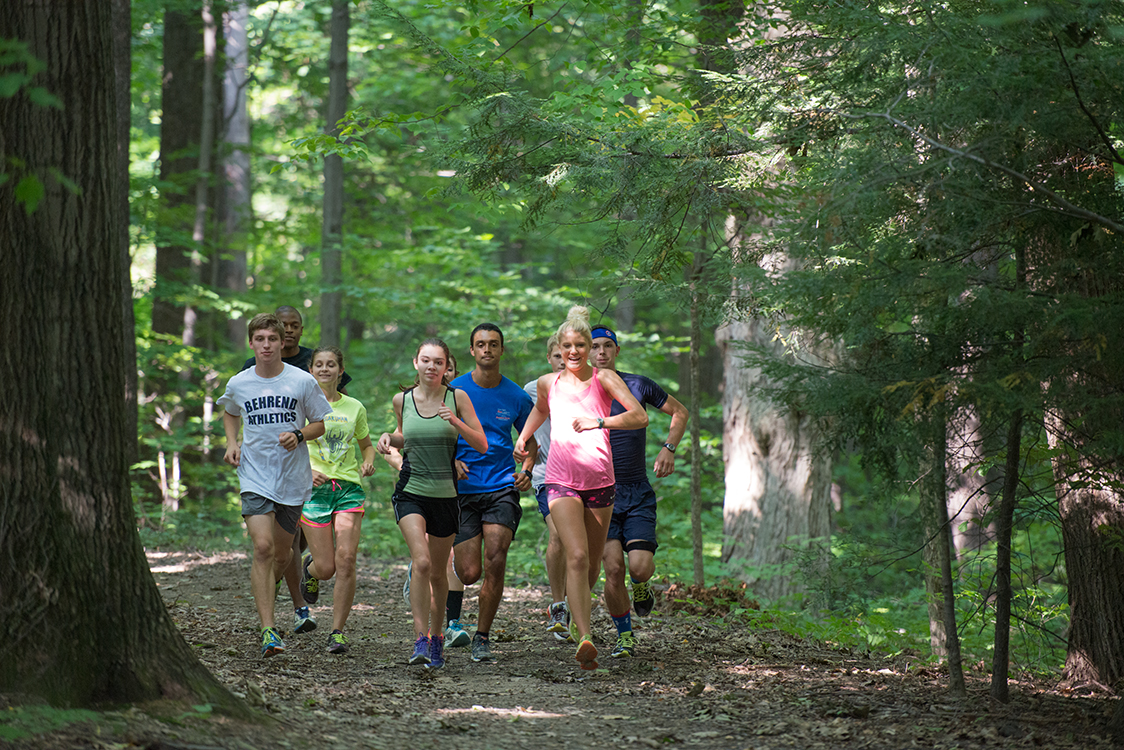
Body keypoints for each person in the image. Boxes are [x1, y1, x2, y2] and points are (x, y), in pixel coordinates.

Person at [515, 306, 648, 670]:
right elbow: (541, 410)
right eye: (567, 346)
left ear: (590, 347)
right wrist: (525, 437)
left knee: (589, 564)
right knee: (575, 555)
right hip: (560, 479)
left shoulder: (605, 379)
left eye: (580, 345)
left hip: (601, 480)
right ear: (559, 346)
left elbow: (640, 415)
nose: (573, 352)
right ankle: (586, 637)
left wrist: (599, 422)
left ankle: (578, 612)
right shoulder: (548, 382)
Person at [218, 313, 332, 657]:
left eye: (272, 339)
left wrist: (298, 435)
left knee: (283, 554)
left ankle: (273, 599)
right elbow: (230, 410)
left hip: (292, 479)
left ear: (282, 342)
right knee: (263, 548)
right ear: (251, 343)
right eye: (260, 339)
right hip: (255, 476)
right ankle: (268, 629)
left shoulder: (301, 381)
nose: (266, 345)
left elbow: (321, 423)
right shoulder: (240, 382)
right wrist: (231, 442)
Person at [376, 338, 488, 669]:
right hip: (411, 491)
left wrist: (454, 421)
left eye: (438, 362)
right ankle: (420, 639)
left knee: (439, 572)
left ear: (446, 367)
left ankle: (438, 637)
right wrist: (388, 438)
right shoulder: (402, 399)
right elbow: (403, 435)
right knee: (421, 562)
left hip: (446, 496)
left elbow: (481, 443)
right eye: (426, 360)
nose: (431, 367)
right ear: (416, 363)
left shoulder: (458, 398)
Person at [239, 304, 350, 631]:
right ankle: (295, 609)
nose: (288, 331)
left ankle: (294, 604)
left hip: (312, 464)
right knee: (275, 545)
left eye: (294, 325)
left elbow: (333, 417)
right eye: (282, 326)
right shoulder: (253, 367)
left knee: (289, 548)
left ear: (301, 329)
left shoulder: (311, 365)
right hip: (269, 471)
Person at [590, 325, 689, 658]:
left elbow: (680, 412)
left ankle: (643, 586)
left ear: (617, 350)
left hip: (636, 491)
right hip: (599, 493)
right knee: (613, 568)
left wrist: (669, 448)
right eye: (594, 347)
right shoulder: (578, 391)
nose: (601, 352)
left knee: (639, 568)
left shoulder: (637, 384)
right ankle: (625, 635)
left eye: (607, 346)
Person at [446, 324, 536, 663]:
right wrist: (451, 459)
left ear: (501, 350)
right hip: (462, 491)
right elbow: (435, 434)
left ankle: (482, 637)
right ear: (471, 350)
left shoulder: (516, 396)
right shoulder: (453, 390)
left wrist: (526, 469)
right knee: (470, 573)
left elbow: (532, 444)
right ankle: (443, 565)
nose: (487, 350)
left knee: (496, 556)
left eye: (493, 344)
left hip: (501, 487)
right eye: (481, 344)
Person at [297, 346, 376, 655]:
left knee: (346, 560)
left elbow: (366, 445)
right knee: (327, 567)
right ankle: (310, 570)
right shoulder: (301, 407)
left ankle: (337, 632)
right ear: (311, 370)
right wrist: (309, 469)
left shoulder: (354, 407)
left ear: (341, 370)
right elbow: (287, 447)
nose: (326, 369)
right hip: (313, 490)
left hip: (348, 489)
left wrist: (368, 461)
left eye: (331, 365)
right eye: (320, 365)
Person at [523, 335, 570, 641]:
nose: (563, 361)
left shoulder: (591, 386)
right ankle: (558, 604)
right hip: (547, 475)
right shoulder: (533, 389)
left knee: (583, 546)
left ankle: (577, 605)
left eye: (567, 354)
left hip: (586, 475)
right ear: (548, 359)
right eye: (556, 356)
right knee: (558, 534)